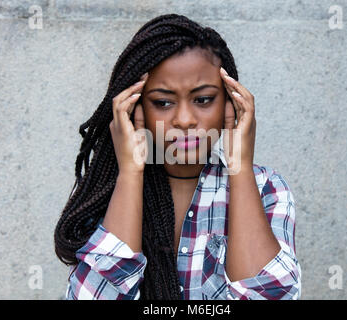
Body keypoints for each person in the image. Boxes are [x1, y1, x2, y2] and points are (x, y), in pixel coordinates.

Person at [54, 13, 301, 300]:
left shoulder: (266, 187)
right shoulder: (108, 191)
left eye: (203, 99)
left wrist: (240, 167)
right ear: (135, 110)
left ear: (231, 104)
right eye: (163, 102)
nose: (184, 120)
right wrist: (131, 174)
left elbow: (273, 297)